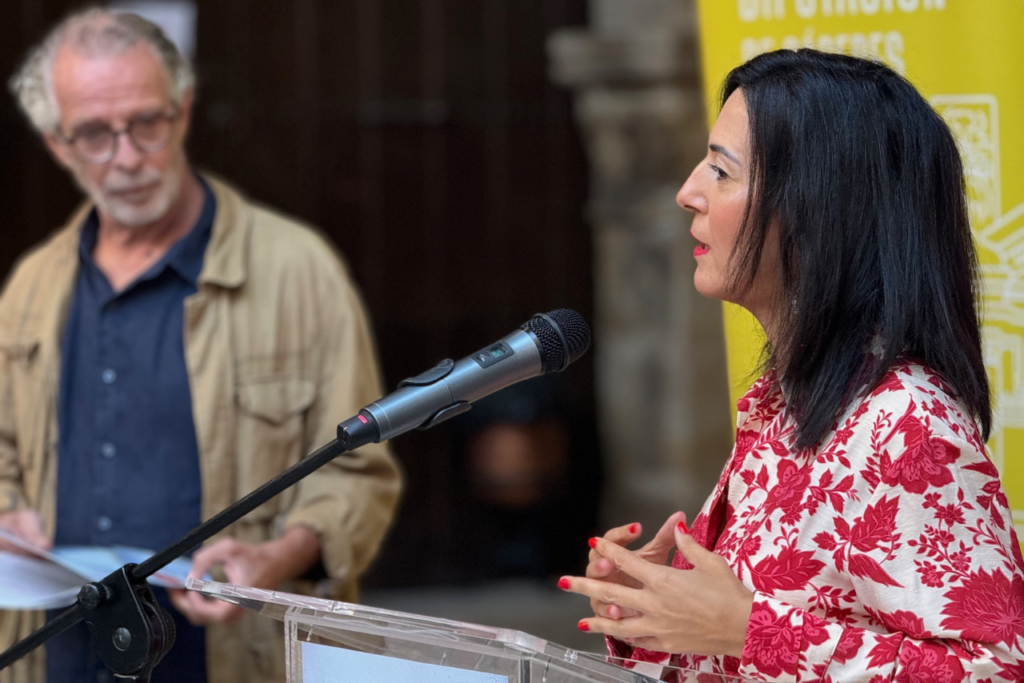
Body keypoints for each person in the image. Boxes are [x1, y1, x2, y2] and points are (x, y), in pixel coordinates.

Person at [559, 49, 1024, 681]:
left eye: (721, 173)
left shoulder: (905, 423)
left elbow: (999, 668)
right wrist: (657, 613)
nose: (688, 191)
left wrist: (744, 628)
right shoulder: (789, 403)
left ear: (817, 210)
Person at [0, 9, 400, 683]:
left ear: (183, 110)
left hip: (232, 658)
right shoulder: (32, 286)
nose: (126, 158)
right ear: (57, 144)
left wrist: (281, 553)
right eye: (95, 134)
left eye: (146, 123)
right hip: (57, 657)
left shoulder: (299, 270)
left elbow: (359, 476)